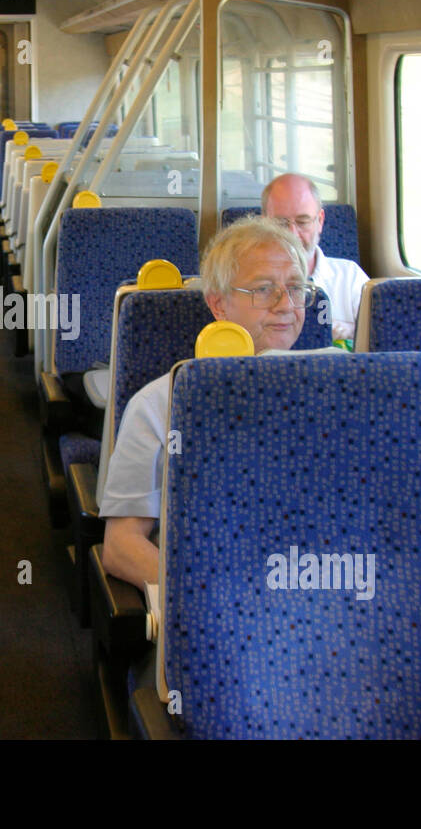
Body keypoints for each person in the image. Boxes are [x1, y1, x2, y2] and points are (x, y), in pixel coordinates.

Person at [100, 217, 317, 588]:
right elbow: (121, 546)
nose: (286, 305)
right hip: (211, 592)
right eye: (264, 289)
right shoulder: (159, 404)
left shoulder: (337, 394)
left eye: (296, 288)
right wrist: (211, 601)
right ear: (218, 304)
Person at [260, 173, 368, 345]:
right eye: (281, 223)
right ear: (263, 223)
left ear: (320, 221)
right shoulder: (244, 280)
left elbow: (382, 336)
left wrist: (351, 330)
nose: (292, 234)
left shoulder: (350, 277)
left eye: (302, 222)